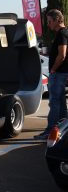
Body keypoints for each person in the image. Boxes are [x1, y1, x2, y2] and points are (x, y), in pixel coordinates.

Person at [34, 9, 68, 140]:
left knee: (54, 103)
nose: (48, 24)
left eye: (49, 21)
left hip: (59, 74)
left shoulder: (62, 34)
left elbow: (62, 54)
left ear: (57, 20)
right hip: (61, 73)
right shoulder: (64, 33)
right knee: (60, 103)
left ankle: (49, 132)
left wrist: (53, 69)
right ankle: (61, 130)